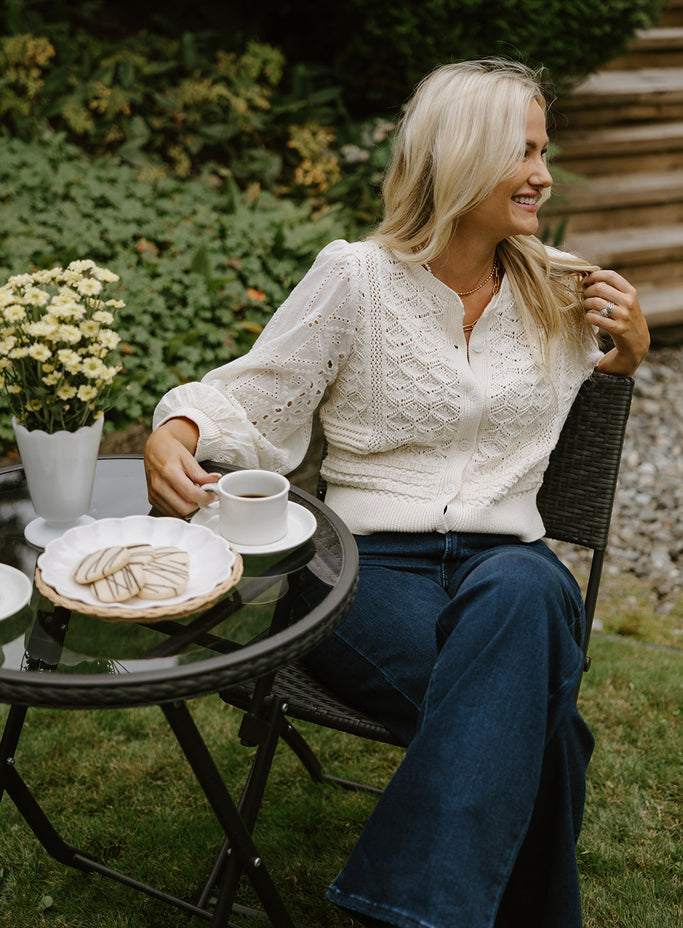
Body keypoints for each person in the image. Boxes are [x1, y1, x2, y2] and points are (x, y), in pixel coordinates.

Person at [144, 58, 649, 928]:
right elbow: (254, 397)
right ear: (457, 158)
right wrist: (175, 430)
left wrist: (626, 359)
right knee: (546, 732)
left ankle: (404, 911)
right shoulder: (357, 279)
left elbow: (589, 393)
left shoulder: (562, 291)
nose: (543, 173)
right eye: (521, 153)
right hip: (364, 571)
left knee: (528, 587)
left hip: (506, 571)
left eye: (543, 149)